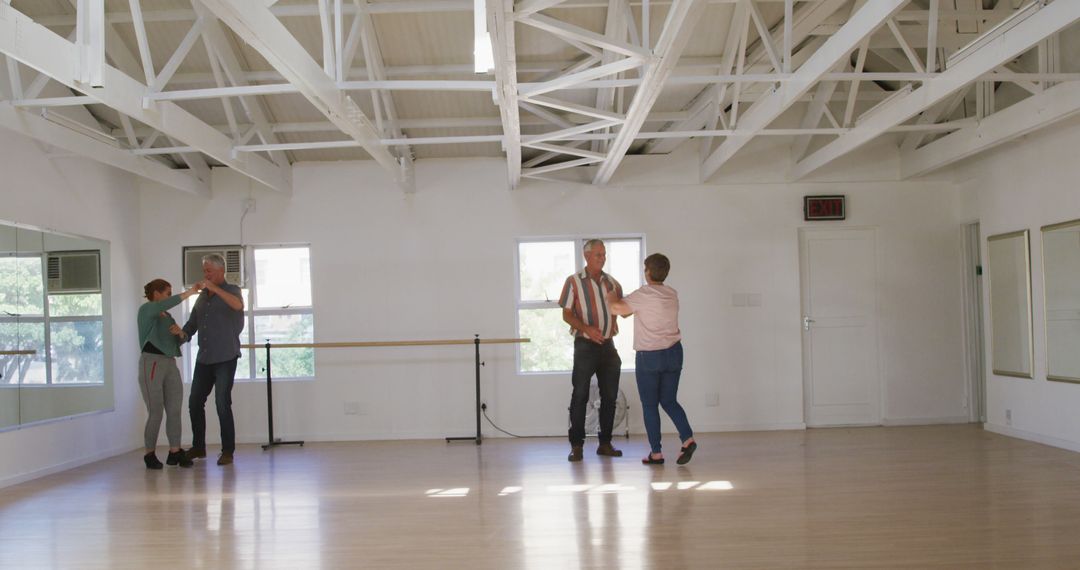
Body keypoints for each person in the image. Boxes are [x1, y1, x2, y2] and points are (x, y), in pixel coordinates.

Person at [607, 253, 696, 466]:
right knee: (669, 401)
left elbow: (616, 308)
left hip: (650, 357)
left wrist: (610, 294)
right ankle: (688, 439)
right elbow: (633, 311)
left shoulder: (644, 294)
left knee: (649, 405)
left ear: (647, 272)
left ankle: (656, 453)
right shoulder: (671, 294)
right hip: (674, 353)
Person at [559, 239, 624, 462]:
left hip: (608, 346)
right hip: (585, 346)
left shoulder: (613, 283)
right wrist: (587, 328)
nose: (602, 258)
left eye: (604, 254)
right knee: (580, 395)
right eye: (598, 254)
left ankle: (605, 443)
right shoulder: (574, 282)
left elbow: (622, 309)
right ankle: (576, 445)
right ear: (586, 256)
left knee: (610, 396)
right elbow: (566, 314)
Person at [182, 254, 245, 466]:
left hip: (226, 356)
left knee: (222, 402)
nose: (205, 275)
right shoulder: (202, 297)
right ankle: (198, 446)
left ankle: (228, 450)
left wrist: (215, 289)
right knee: (194, 401)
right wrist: (181, 335)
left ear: (221, 271)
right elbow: (192, 324)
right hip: (204, 358)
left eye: (209, 271)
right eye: (204, 271)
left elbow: (237, 305)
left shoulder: (232, 290)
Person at [137, 279, 201, 469]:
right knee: (155, 411)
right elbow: (167, 303)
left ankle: (175, 451)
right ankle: (149, 453)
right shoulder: (147, 310)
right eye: (167, 292)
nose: (169, 296)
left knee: (174, 410)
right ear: (156, 293)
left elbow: (177, 342)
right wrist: (190, 292)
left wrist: (181, 334)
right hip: (152, 363)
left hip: (170, 364)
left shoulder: (168, 317)